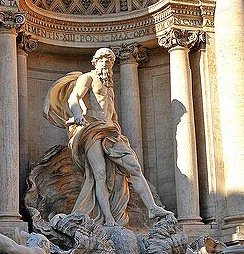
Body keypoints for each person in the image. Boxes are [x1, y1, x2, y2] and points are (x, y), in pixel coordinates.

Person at [45, 47, 169, 227]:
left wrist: (116, 127)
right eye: (103, 59)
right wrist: (77, 113)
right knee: (99, 174)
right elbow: (74, 98)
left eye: (110, 60)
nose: (107, 63)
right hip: (92, 129)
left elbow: (111, 112)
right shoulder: (87, 78)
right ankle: (108, 218)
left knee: (134, 167)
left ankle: (152, 207)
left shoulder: (109, 84)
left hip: (110, 130)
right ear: (95, 62)